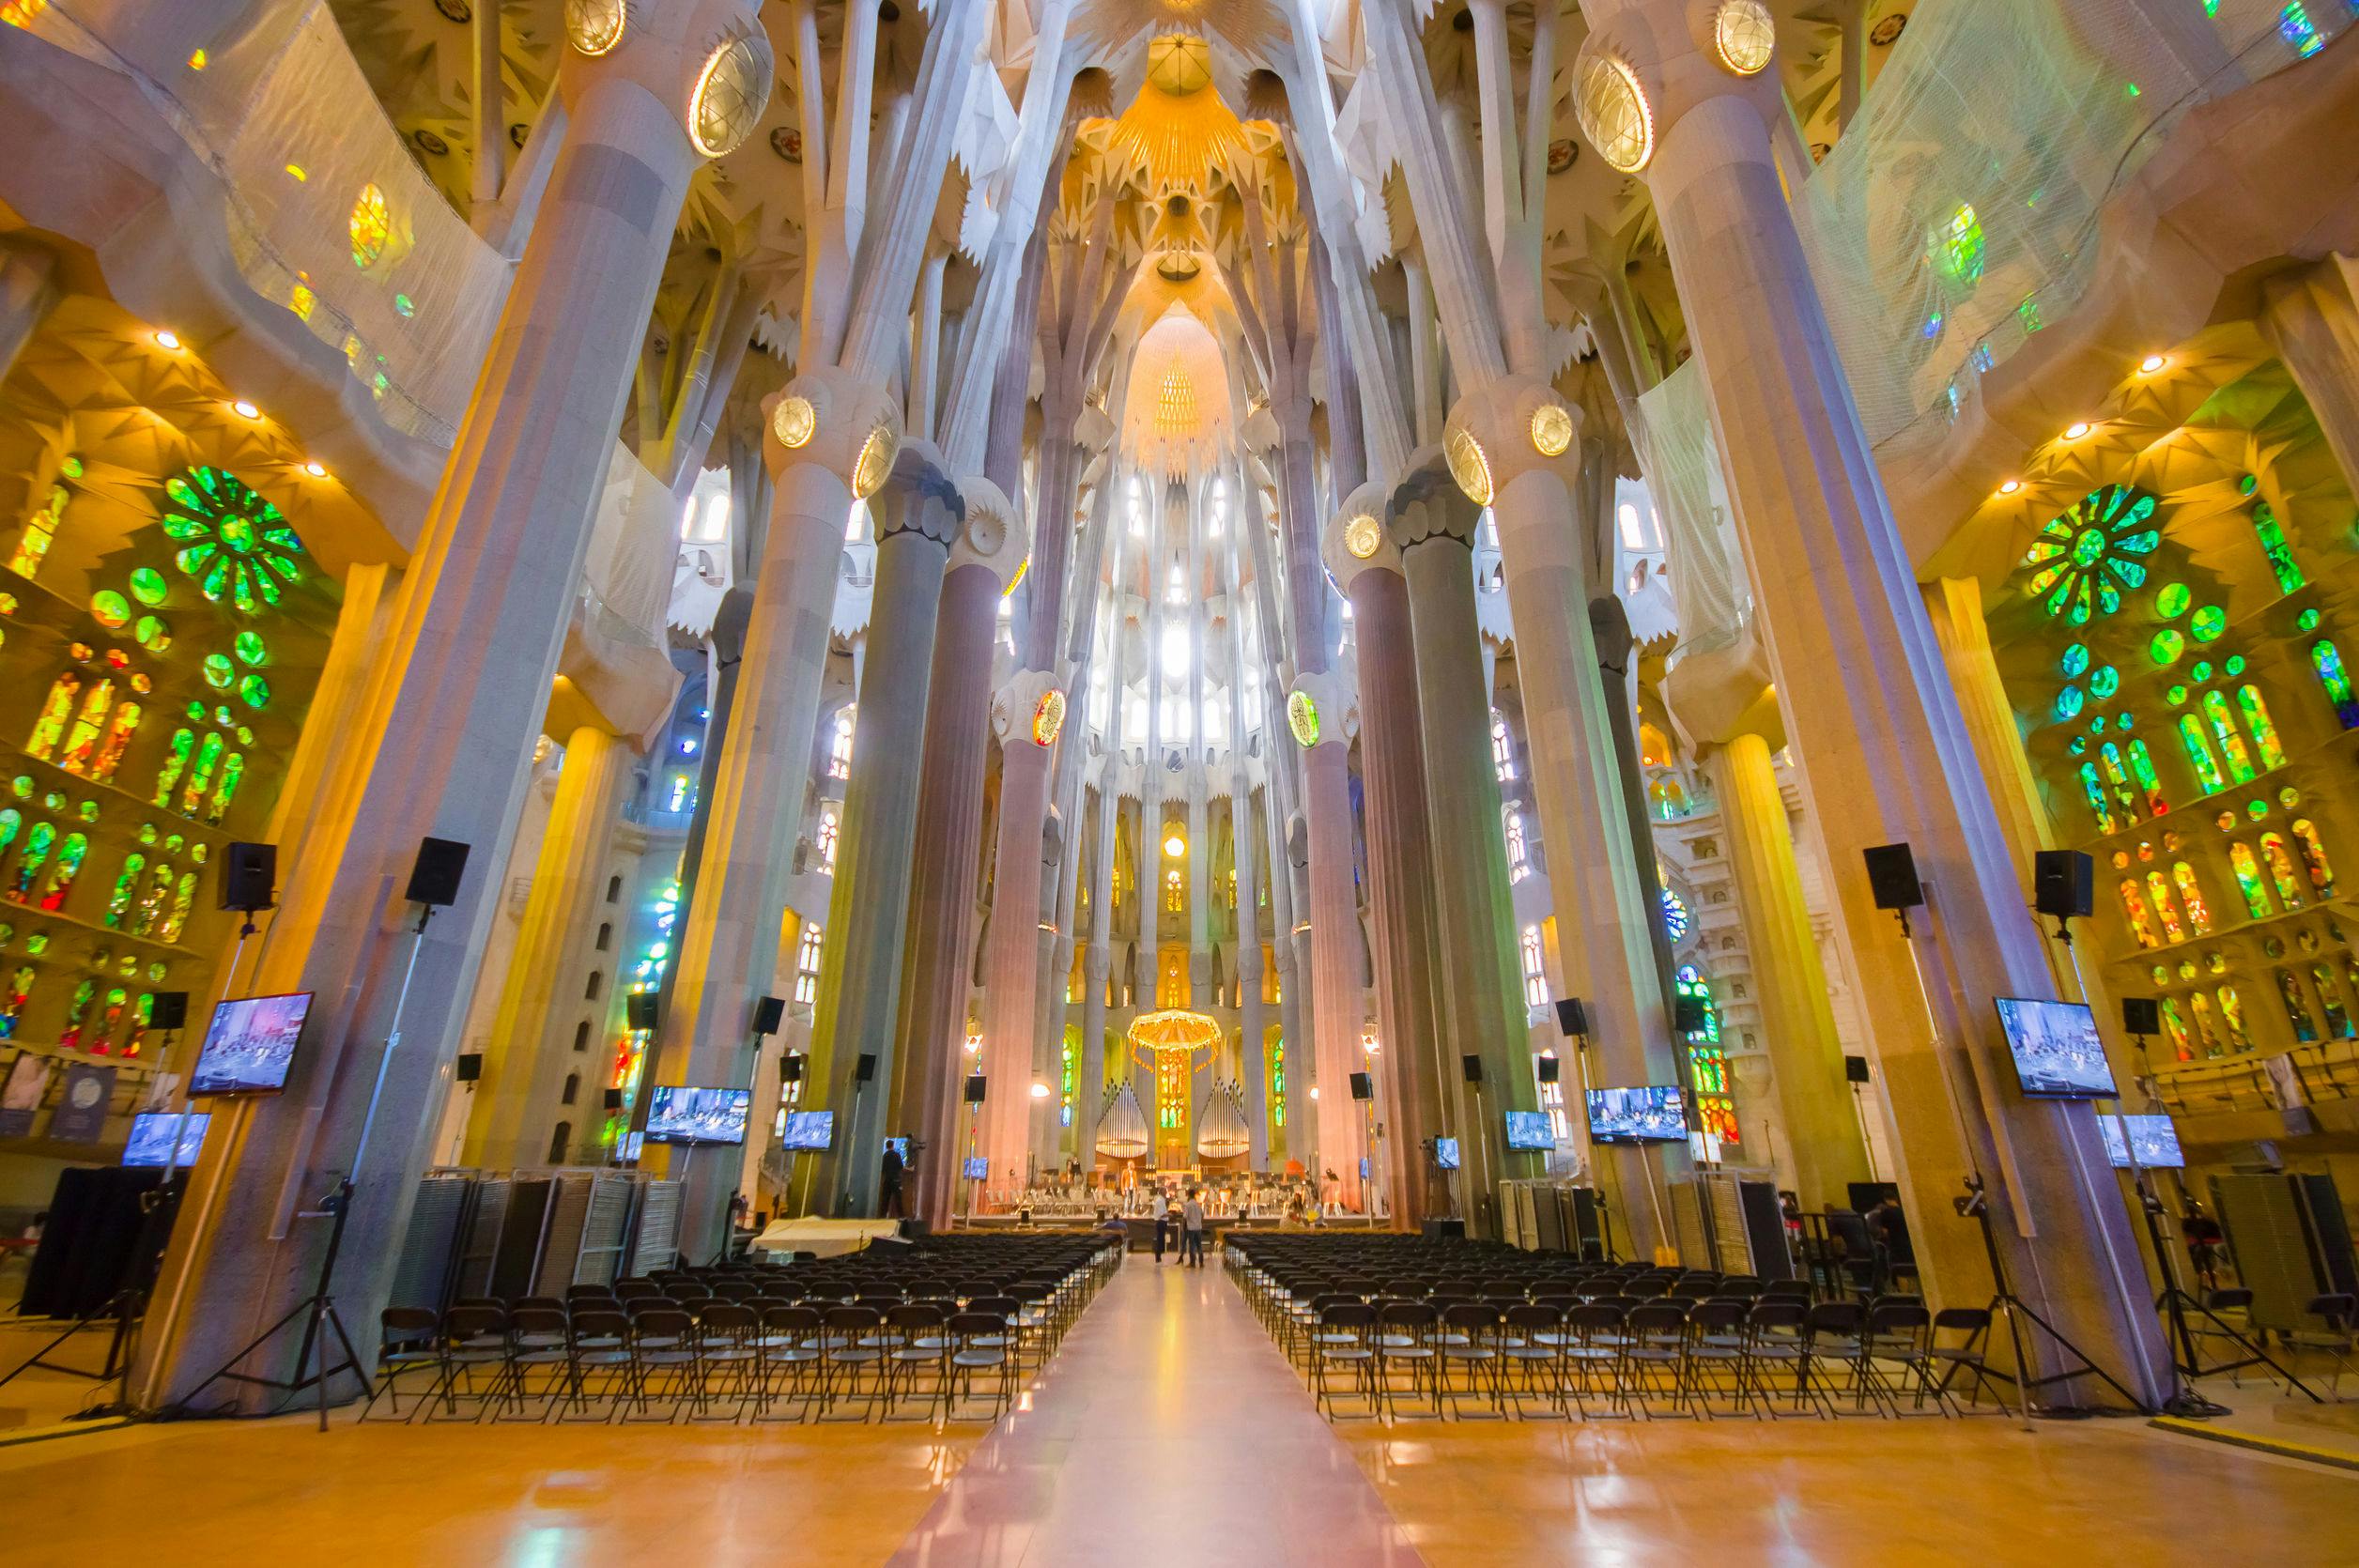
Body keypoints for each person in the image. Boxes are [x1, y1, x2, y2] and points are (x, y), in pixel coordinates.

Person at [1180, 1186, 1206, 1268]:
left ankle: (1192, 1263)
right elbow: (1202, 1215)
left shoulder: (1187, 1205)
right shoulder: (1198, 1205)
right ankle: (1201, 1263)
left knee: (1192, 1245)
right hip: (1198, 1227)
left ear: (1188, 1195)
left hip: (1191, 1228)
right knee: (1199, 1245)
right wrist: (1199, 1221)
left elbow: (1185, 1217)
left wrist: (1182, 1226)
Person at [880, 1141, 906, 1218]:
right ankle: (901, 1217)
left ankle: (882, 1216)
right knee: (898, 1199)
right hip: (895, 1180)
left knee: (885, 1199)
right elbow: (901, 1166)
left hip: (887, 1179)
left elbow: (883, 1169)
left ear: (887, 1146)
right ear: (893, 1145)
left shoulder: (885, 1155)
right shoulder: (896, 1155)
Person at [1152, 1196, 1173, 1263]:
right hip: (1161, 1222)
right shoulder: (1160, 1201)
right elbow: (1161, 1214)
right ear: (1162, 1192)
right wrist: (1169, 1214)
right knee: (1160, 1239)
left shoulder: (1161, 1200)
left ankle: (1159, 1255)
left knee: (1161, 1239)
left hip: (1162, 1222)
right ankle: (1158, 1257)